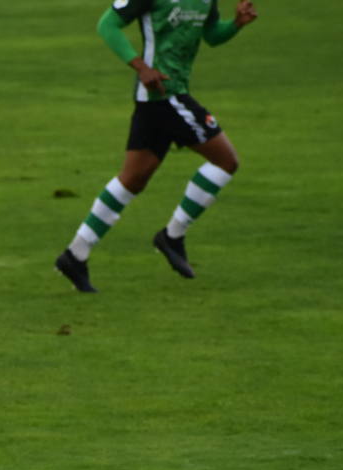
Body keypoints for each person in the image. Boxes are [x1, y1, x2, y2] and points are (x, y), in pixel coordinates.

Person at [55, 0, 259, 291]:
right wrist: (141, 67)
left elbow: (211, 34)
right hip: (165, 94)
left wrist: (236, 24)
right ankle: (172, 236)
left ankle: (75, 254)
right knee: (226, 161)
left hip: (163, 97)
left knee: (133, 179)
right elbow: (107, 25)